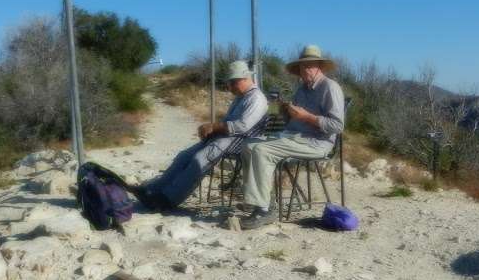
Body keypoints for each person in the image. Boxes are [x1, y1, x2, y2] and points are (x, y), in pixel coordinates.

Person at [135, 60, 267, 210]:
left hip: (241, 140)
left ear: (244, 79)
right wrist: (211, 130)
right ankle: (154, 189)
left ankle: (168, 199)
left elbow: (243, 126)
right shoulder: (241, 97)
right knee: (184, 156)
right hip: (227, 137)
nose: (229, 87)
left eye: (232, 82)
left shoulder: (256, 98)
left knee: (200, 160)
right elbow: (229, 122)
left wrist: (214, 127)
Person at [238, 44, 345, 229]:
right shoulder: (302, 88)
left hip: (316, 142)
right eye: (303, 66)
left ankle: (264, 211)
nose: (305, 70)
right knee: (248, 146)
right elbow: (293, 118)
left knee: (262, 151)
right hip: (292, 136)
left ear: (319, 66)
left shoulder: (330, 87)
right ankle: (263, 200)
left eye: (310, 65)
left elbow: (337, 125)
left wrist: (306, 117)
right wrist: (285, 109)